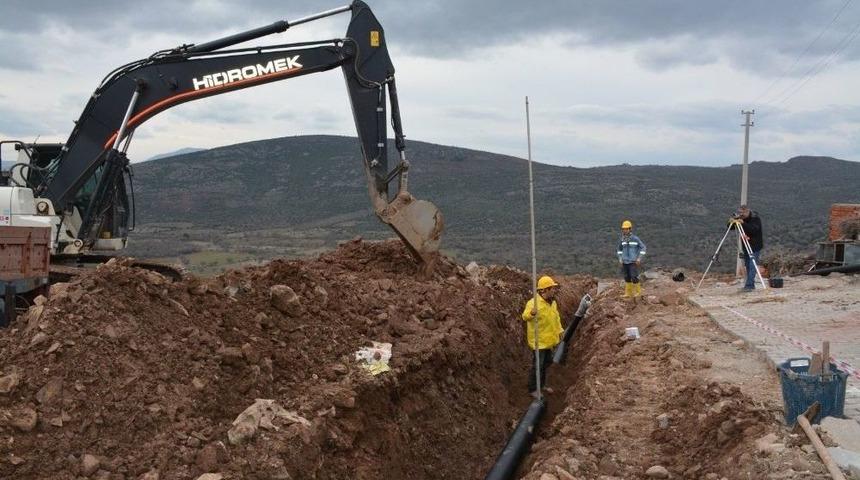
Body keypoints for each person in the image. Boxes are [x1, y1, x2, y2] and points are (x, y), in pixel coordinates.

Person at [521, 275, 563, 398]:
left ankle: (542, 384)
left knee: (546, 364)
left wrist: (560, 331)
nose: (554, 290)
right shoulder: (533, 303)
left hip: (549, 341)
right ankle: (533, 388)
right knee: (538, 366)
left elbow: (556, 319)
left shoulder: (553, 303)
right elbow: (525, 316)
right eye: (552, 288)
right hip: (538, 342)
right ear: (544, 290)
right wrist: (531, 313)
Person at [731, 204, 764, 291]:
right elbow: (730, 228)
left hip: (755, 246)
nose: (741, 215)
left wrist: (743, 223)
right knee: (748, 265)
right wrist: (732, 221)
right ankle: (750, 284)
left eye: (742, 213)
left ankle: (749, 286)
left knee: (752, 265)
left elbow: (753, 230)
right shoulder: (742, 219)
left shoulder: (755, 219)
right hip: (746, 245)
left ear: (747, 211)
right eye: (739, 213)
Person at [616, 220, 646, 298]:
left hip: (633, 262)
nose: (625, 230)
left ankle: (638, 293)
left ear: (630, 229)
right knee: (626, 277)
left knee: (634, 276)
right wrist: (620, 258)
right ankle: (628, 294)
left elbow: (643, 248)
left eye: (626, 229)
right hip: (624, 262)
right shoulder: (622, 240)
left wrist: (639, 258)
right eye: (623, 229)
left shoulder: (635, 239)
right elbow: (619, 250)